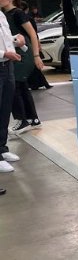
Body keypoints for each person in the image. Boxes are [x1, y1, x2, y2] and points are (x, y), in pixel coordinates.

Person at [0, 0, 44, 135]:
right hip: (14, 53)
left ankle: (22, 119)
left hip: (23, 55)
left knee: (15, 88)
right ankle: (33, 119)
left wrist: (36, 55)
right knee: (22, 87)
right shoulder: (5, 15)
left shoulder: (18, 13)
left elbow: (32, 33)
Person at [0, 10, 26, 173]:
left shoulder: (1, 15)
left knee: (5, 110)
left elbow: (5, 39)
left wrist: (17, 42)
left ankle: (2, 148)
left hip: (7, 66)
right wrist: (4, 53)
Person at [21, 1, 52, 90]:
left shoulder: (22, 18)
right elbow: (34, 34)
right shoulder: (29, 19)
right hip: (30, 44)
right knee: (34, 66)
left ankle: (37, 83)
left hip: (26, 44)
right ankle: (41, 83)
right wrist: (38, 46)